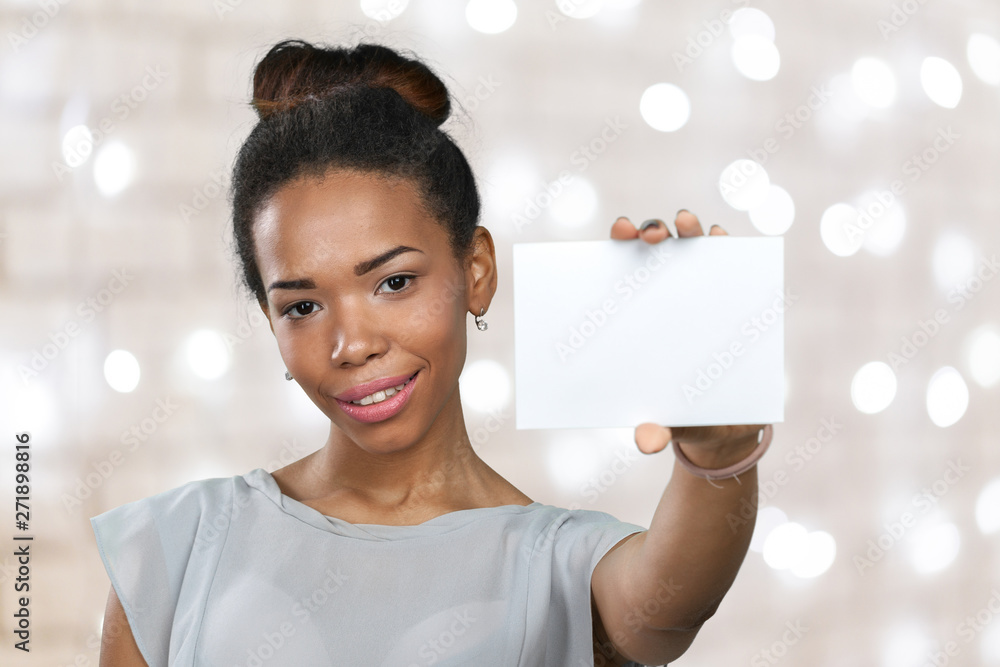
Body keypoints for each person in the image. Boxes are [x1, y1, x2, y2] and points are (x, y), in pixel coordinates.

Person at [90, 38, 773, 667]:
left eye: (393, 281)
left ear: (474, 271)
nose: (352, 343)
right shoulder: (177, 544)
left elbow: (669, 604)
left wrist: (717, 455)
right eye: (301, 305)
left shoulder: (556, 565)